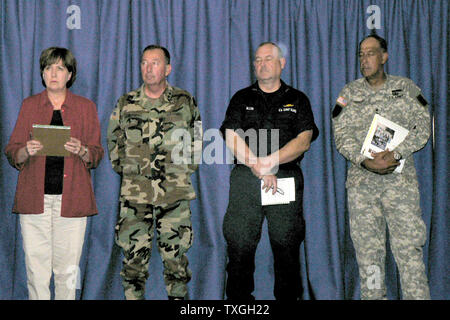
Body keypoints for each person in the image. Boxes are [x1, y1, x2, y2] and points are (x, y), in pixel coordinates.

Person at [332, 34, 431, 299]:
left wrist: (396, 152)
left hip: (400, 185)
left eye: (371, 53)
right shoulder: (349, 94)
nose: (365, 60)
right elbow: (340, 135)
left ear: (384, 56)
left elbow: (423, 125)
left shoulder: (406, 88)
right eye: (361, 55)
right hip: (363, 186)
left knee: (410, 254)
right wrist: (365, 161)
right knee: (369, 259)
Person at [220, 42, 319, 300]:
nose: (261, 64)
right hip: (246, 178)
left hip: (284, 178)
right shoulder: (241, 98)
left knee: (286, 247)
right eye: (257, 60)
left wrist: (270, 163)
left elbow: (304, 139)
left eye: (268, 59)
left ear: (281, 63)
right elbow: (230, 135)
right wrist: (258, 166)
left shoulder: (297, 99)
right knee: (239, 247)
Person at [4, 47, 104, 300]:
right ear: (42, 73)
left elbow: (96, 152)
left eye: (60, 68)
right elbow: (12, 150)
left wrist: (82, 150)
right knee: (35, 271)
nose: (53, 73)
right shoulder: (30, 106)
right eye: (48, 68)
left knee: (67, 272)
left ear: (70, 74)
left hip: (71, 200)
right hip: (34, 199)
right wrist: (25, 150)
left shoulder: (85, 107)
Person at [107, 45, 202, 300]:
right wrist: (131, 173)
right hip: (135, 196)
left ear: (168, 68)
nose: (148, 68)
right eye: (144, 63)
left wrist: (181, 172)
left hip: (174, 194)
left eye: (155, 63)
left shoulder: (184, 101)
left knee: (176, 262)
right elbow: (114, 142)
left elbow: (196, 141)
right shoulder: (126, 103)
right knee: (133, 262)